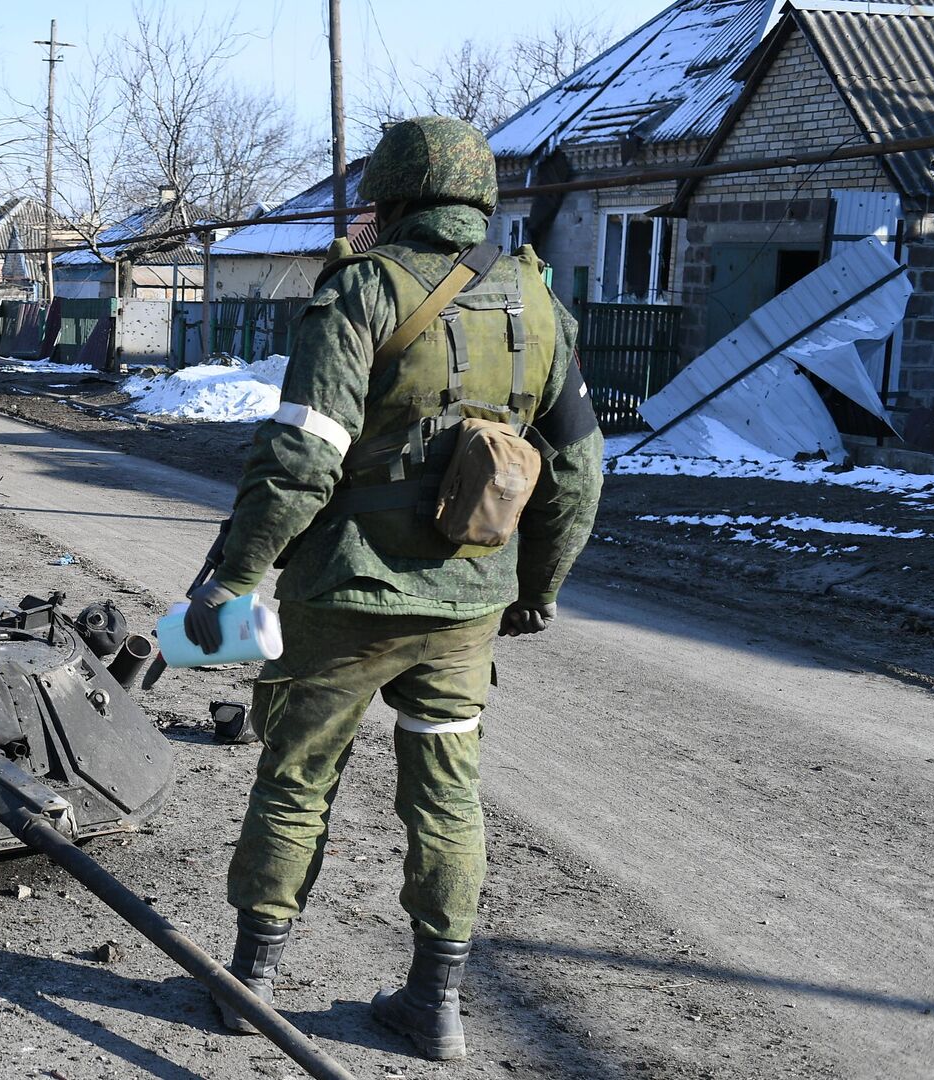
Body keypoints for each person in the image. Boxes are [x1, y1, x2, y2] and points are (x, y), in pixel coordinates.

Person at [182, 115, 603, 1060]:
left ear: (396, 195)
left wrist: (235, 580)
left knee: (297, 779)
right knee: (447, 798)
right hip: (467, 608)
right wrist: (535, 589)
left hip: (347, 598)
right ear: (480, 197)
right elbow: (577, 474)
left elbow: (301, 459)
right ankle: (435, 1003)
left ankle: (251, 982)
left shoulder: (362, 292)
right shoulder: (541, 305)